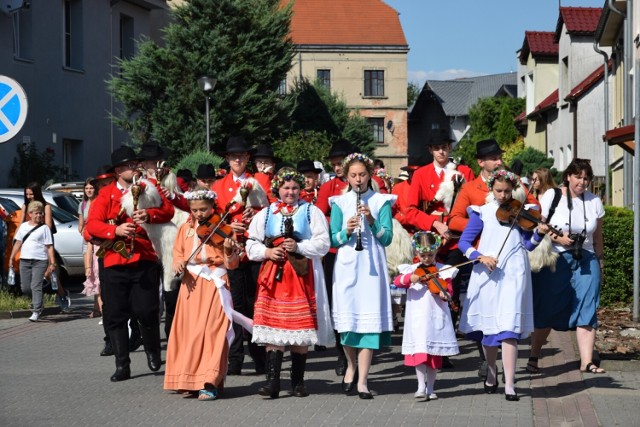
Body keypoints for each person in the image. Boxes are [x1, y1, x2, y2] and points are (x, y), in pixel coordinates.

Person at [458, 169, 549, 402]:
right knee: (490, 332)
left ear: (513, 190)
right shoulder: (483, 212)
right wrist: (480, 256)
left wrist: (539, 233)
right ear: (492, 189)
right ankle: (491, 370)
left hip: (515, 274)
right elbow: (464, 242)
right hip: (488, 274)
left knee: (509, 329)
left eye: (507, 191)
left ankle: (510, 384)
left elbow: (528, 246)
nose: (503, 195)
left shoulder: (522, 212)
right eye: (498, 191)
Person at [86, 146, 175, 382]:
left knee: (147, 311)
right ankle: (122, 364)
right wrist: (114, 229)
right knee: (115, 315)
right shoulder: (106, 195)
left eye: (135, 164)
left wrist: (150, 215)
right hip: (115, 260)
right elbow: (91, 226)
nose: (133, 168)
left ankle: (153, 351)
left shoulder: (148, 187)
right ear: (117, 171)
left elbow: (167, 211)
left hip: (144, 257)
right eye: (128, 165)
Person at [246, 167, 332, 398]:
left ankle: (297, 382)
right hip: (273, 276)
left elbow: (324, 243)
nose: (290, 192)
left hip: (301, 276)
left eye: (294, 187)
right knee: (273, 328)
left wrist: (300, 247)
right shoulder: (266, 213)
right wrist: (267, 252)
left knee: (298, 328)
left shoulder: (310, 212)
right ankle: (272, 382)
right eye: (286, 188)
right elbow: (251, 243)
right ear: (277, 189)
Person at [404, 128, 474, 368]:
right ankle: (427, 345)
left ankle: (445, 346)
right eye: (437, 148)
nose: (442, 151)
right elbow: (411, 210)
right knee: (428, 292)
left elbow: (471, 206)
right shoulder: (421, 174)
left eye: (445, 146)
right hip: (429, 241)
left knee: (449, 292)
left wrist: (453, 226)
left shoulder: (464, 172)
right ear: (430, 150)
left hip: (455, 240)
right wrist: (435, 223)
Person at [528, 159, 605, 375]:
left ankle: (587, 361)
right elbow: (539, 225)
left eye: (586, 178)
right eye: (578, 177)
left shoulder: (594, 201)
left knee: (588, 306)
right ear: (568, 176)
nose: (582, 182)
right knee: (548, 307)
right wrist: (558, 238)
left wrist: (601, 261)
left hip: (586, 257)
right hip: (556, 258)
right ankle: (534, 355)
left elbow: (598, 236)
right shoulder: (553, 195)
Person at [163, 188, 240, 401]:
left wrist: (228, 251)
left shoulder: (224, 228)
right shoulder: (185, 229)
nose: (199, 214)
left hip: (215, 283)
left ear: (213, 207)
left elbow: (233, 264)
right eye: (195, 210)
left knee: (214, 332)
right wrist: (178, 263)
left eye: (204, 209)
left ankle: (210, 381)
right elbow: (178, 254)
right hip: (191, 285)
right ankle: (190, 380)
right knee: (190, 332)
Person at [330, 152, 395, 400]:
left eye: (362, 175)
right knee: (348, 324)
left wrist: (371, 220)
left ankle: (363, 380)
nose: (358, 179)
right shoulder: (339, 202)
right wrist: (346, 231)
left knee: (369, 324)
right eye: (354, 175)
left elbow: (387, 238)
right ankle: (351, 365)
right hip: (347, 265)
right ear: (347, 176)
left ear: (370, 175)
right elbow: (332, 239)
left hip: (372, 267)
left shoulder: (381, 201)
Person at [212, 135, 270, 375]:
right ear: (227, 159)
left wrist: (255, 216)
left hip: (255, 249)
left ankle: (259, 357)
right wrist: (228, 228)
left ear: (248, 158)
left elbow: (271, 210)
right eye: (233, 156)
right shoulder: (218, 186)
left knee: (255, 303)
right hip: (232, 250)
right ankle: (235, 358)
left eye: (242, 155)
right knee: (233, 305)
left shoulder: (261, 181)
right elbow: (211, 220)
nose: (237, 159)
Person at [392, 231, 459, 401]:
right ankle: (420, 386)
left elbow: (448, 290)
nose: (427, 258)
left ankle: (431, 388)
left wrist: (445, 294)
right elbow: (397, 281)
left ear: (436, 252)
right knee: (419, 352)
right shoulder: (412, 270)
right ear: (416, 254)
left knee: (434, 355)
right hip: (418, 317)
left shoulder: (443, 270)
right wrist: (412, 278)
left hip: (435, 315)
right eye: (423, 255)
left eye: (430, 255)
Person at [314, 139, 354, 375]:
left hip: (358, 251)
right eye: (335, 164)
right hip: (333, 251)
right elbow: (319, 215)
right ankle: (341, 353)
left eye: (341, 163)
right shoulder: (328, 187)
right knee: (336, 301)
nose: (338, 168)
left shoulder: (366, 183)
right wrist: (339, 225)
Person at [19, 182, 70, 309]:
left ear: (37, 193)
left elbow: (48, 226)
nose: (29, 196)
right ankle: (36, 301)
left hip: (44, 241)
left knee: (48, 273)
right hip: (30, 243)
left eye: (31, 194)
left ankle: (62, 294)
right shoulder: (25, 206)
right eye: (27, 194)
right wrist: (17, 241)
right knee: (30, 275)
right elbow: (21, 225)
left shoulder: (45, 206)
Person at [9, 201, 57, 322]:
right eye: (36, 213)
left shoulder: (45, 228)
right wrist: (11, 257)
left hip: (39, 260)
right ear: (30, 214)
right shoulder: (24, 226)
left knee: (36, 286)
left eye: (41, 213)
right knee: (25, 287)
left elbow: (49, 246)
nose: (39, 215)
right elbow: (18, 242)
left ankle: (36, 310)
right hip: (24, 260)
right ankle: (39, 301)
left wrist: (52, 263)